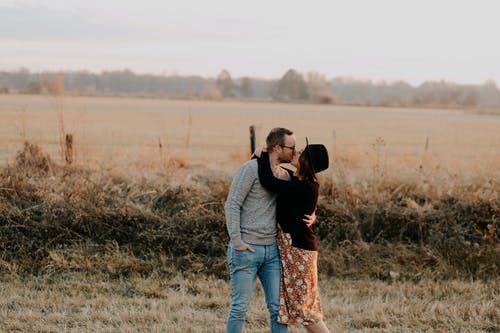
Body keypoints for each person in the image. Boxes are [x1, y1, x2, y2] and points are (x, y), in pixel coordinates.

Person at [224, 127, 315, 333]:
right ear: (277, 148)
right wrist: (237, 240)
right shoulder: (250, 169)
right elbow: (232, 204)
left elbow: (307, 191)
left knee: (277, 309)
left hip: (273, 252)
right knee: (239, 308)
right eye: (292, 148)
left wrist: (313, 213)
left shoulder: (284, 176)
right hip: (246, 249)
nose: (295, 152)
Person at [256, 139, 331, 333]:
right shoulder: (304, 182)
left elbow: (269, 181)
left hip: (298, 251)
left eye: (301, 152)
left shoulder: (305, 187)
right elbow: (286, 176)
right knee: (306, 309)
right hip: (299, 248)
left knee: (306, 312)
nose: (296, 152)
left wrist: (263, 156)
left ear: (306, 161)